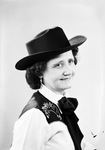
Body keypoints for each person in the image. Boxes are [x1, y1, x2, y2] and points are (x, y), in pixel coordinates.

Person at [10, 26, 96, 150]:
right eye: (58, 65)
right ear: (39, 72)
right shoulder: (35, 115)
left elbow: (78, 145)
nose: (68, 71)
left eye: (70, 61)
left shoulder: (61, 105)